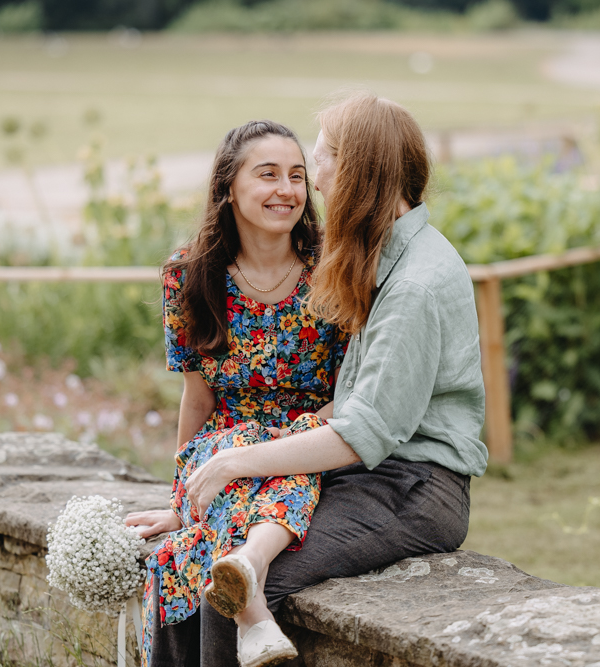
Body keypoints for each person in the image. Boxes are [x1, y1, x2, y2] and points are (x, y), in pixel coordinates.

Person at [184, 92, 488, 666]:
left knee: (236, 587)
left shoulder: (416, 283)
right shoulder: (386, 257)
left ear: (359, 174)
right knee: (204, 549)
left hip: (413, 489)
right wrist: (196, 492)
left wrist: (232, 463)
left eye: (320, 162)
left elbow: (362, 434)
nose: (314, 184)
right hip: (374, 475)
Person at [124, 119, 348, 667]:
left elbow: (349, 394)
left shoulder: (335, 269)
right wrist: (185, 499)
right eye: (267, 174)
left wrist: (275, 446)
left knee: (287, 451)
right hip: (221, 445)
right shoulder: (189, 276)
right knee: (233, 454)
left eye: (298, 176)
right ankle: (252, 613)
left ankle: (246, 594)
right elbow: (198, 400)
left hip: (308, 443)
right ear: (229, 187)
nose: (287, 190)